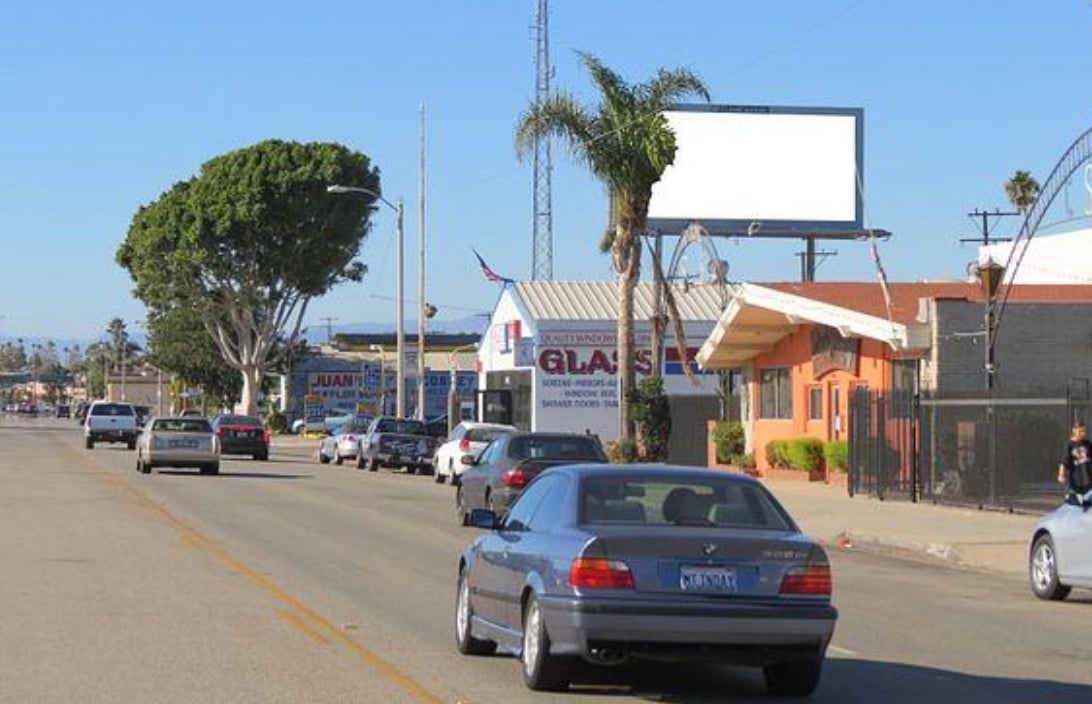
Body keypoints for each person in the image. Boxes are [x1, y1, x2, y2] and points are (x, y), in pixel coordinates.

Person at [1057, 422, 1092, 498]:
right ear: (1074, 431)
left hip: (1088, 481)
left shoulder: (1088, 444)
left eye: (1083, 431)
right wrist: (1061, 474)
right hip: (1075, 482)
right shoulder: (1069, 445)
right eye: (1080, 431)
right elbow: (1064, 461)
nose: (1082, 433)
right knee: (1076, 505)